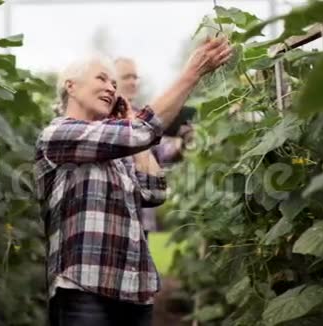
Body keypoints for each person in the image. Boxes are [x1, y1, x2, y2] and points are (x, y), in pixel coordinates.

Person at [34, 36, 232, 326]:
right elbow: (141, 132)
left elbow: (154, 191)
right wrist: (191, 74)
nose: (110, 88)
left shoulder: (116, 149)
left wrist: (129, 119)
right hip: (84, 285)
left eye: (114, 84)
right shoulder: (58, 134)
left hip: (134, 289)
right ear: (71, 86)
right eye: (102, 79)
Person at [114, 57, 196, 240]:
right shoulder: (102, 117)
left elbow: (162, 154)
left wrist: (183, 142)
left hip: (143, 212)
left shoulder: (144, 115)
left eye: (135, 78)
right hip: (115, 212)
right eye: (127, 77)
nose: (133, 82)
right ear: (113, 80)